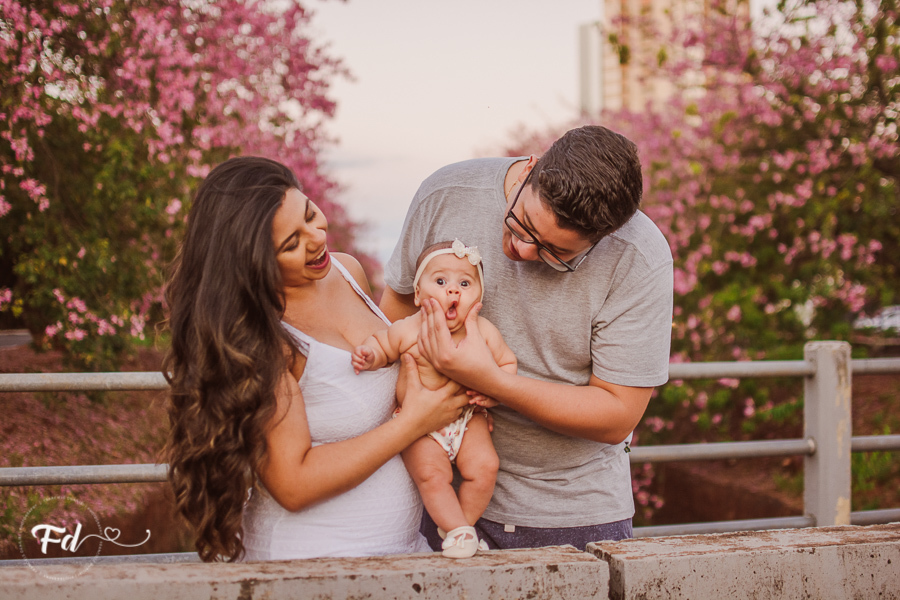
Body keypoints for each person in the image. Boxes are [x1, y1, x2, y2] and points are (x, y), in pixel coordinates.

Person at [162, 156, 471, 562]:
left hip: (397, 553)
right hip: (307, 563)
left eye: (310, 214)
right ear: (250, 261)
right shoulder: (260, 337)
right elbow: (293, 484)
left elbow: (401, 359)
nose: (316, 238)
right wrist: (414, 423)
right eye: (291, 243)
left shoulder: (347, 272)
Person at [380, 125, 674, 551]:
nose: (522, 251)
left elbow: (617, 416)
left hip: (570, 517)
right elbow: (394, 310)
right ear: (531, 168)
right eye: (522, 224)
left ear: (605, 238)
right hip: (432, 492)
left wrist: (494, 382)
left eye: (557, 253)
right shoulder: (446, 193)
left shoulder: (640, 257)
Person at [352, 239, 517, 558]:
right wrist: (369, 355)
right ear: (417, 294)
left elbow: (507, 364)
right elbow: (383, 346)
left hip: (468, 419)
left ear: (478, 298)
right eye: (440, 281)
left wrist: (492, 392)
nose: (452, 291)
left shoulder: (483, 332)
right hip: (419, 426)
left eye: (465, 283)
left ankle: (459, 529)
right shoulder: (407, 329)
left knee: (485, 467)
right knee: (432, 474)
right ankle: (459, 531)